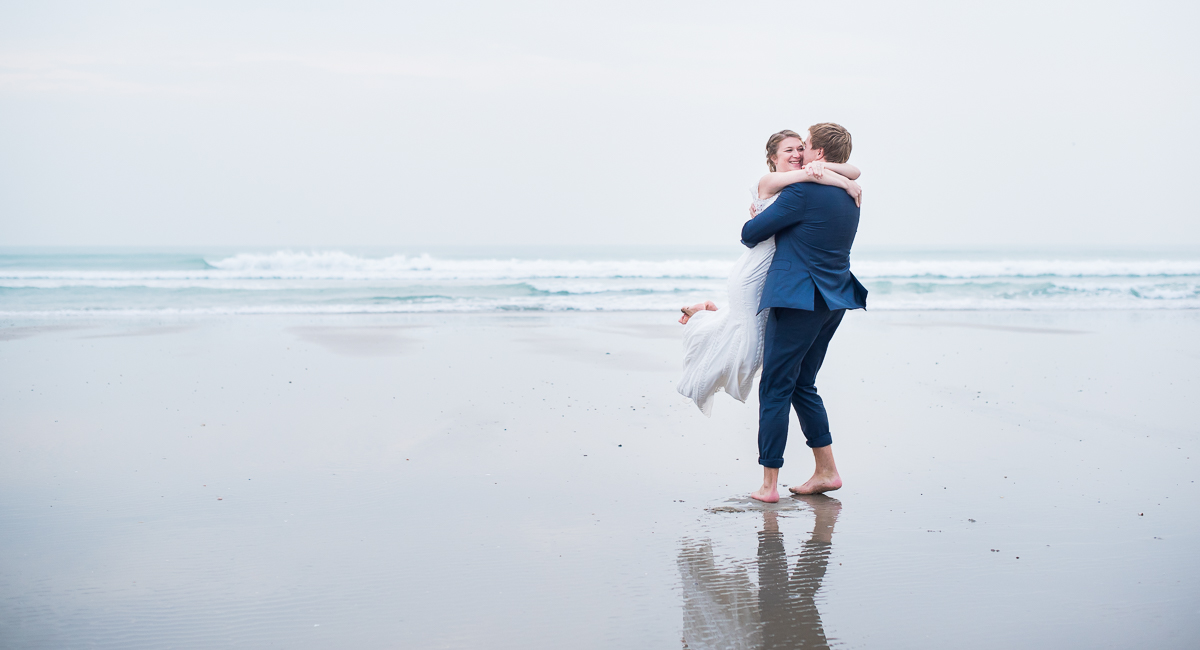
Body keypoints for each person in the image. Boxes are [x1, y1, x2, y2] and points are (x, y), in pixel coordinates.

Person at [676, 130, 860, 418]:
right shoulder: (770, 180)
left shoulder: (805, 178)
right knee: (749, 347)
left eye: (800, 148)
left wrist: (831, 172)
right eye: (788, 151)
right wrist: (839, 180)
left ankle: (707, 312)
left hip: (778, 275)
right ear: (773, 158)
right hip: (755, 268)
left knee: (750, 338)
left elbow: (854, 170)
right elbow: (825, 177)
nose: (797, 154)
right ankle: (701, 324)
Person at [740, 122, 867, 503]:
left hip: (799, 300)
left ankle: (768, 485)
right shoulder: (851, 195)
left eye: (806, 146)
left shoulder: (803, 193)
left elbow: (750, 235)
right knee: (801, 384)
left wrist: (757, 215)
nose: (801, 154)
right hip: (833, 300)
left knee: (775, 387)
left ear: (820, 155)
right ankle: (826, 471)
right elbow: (850, 174)